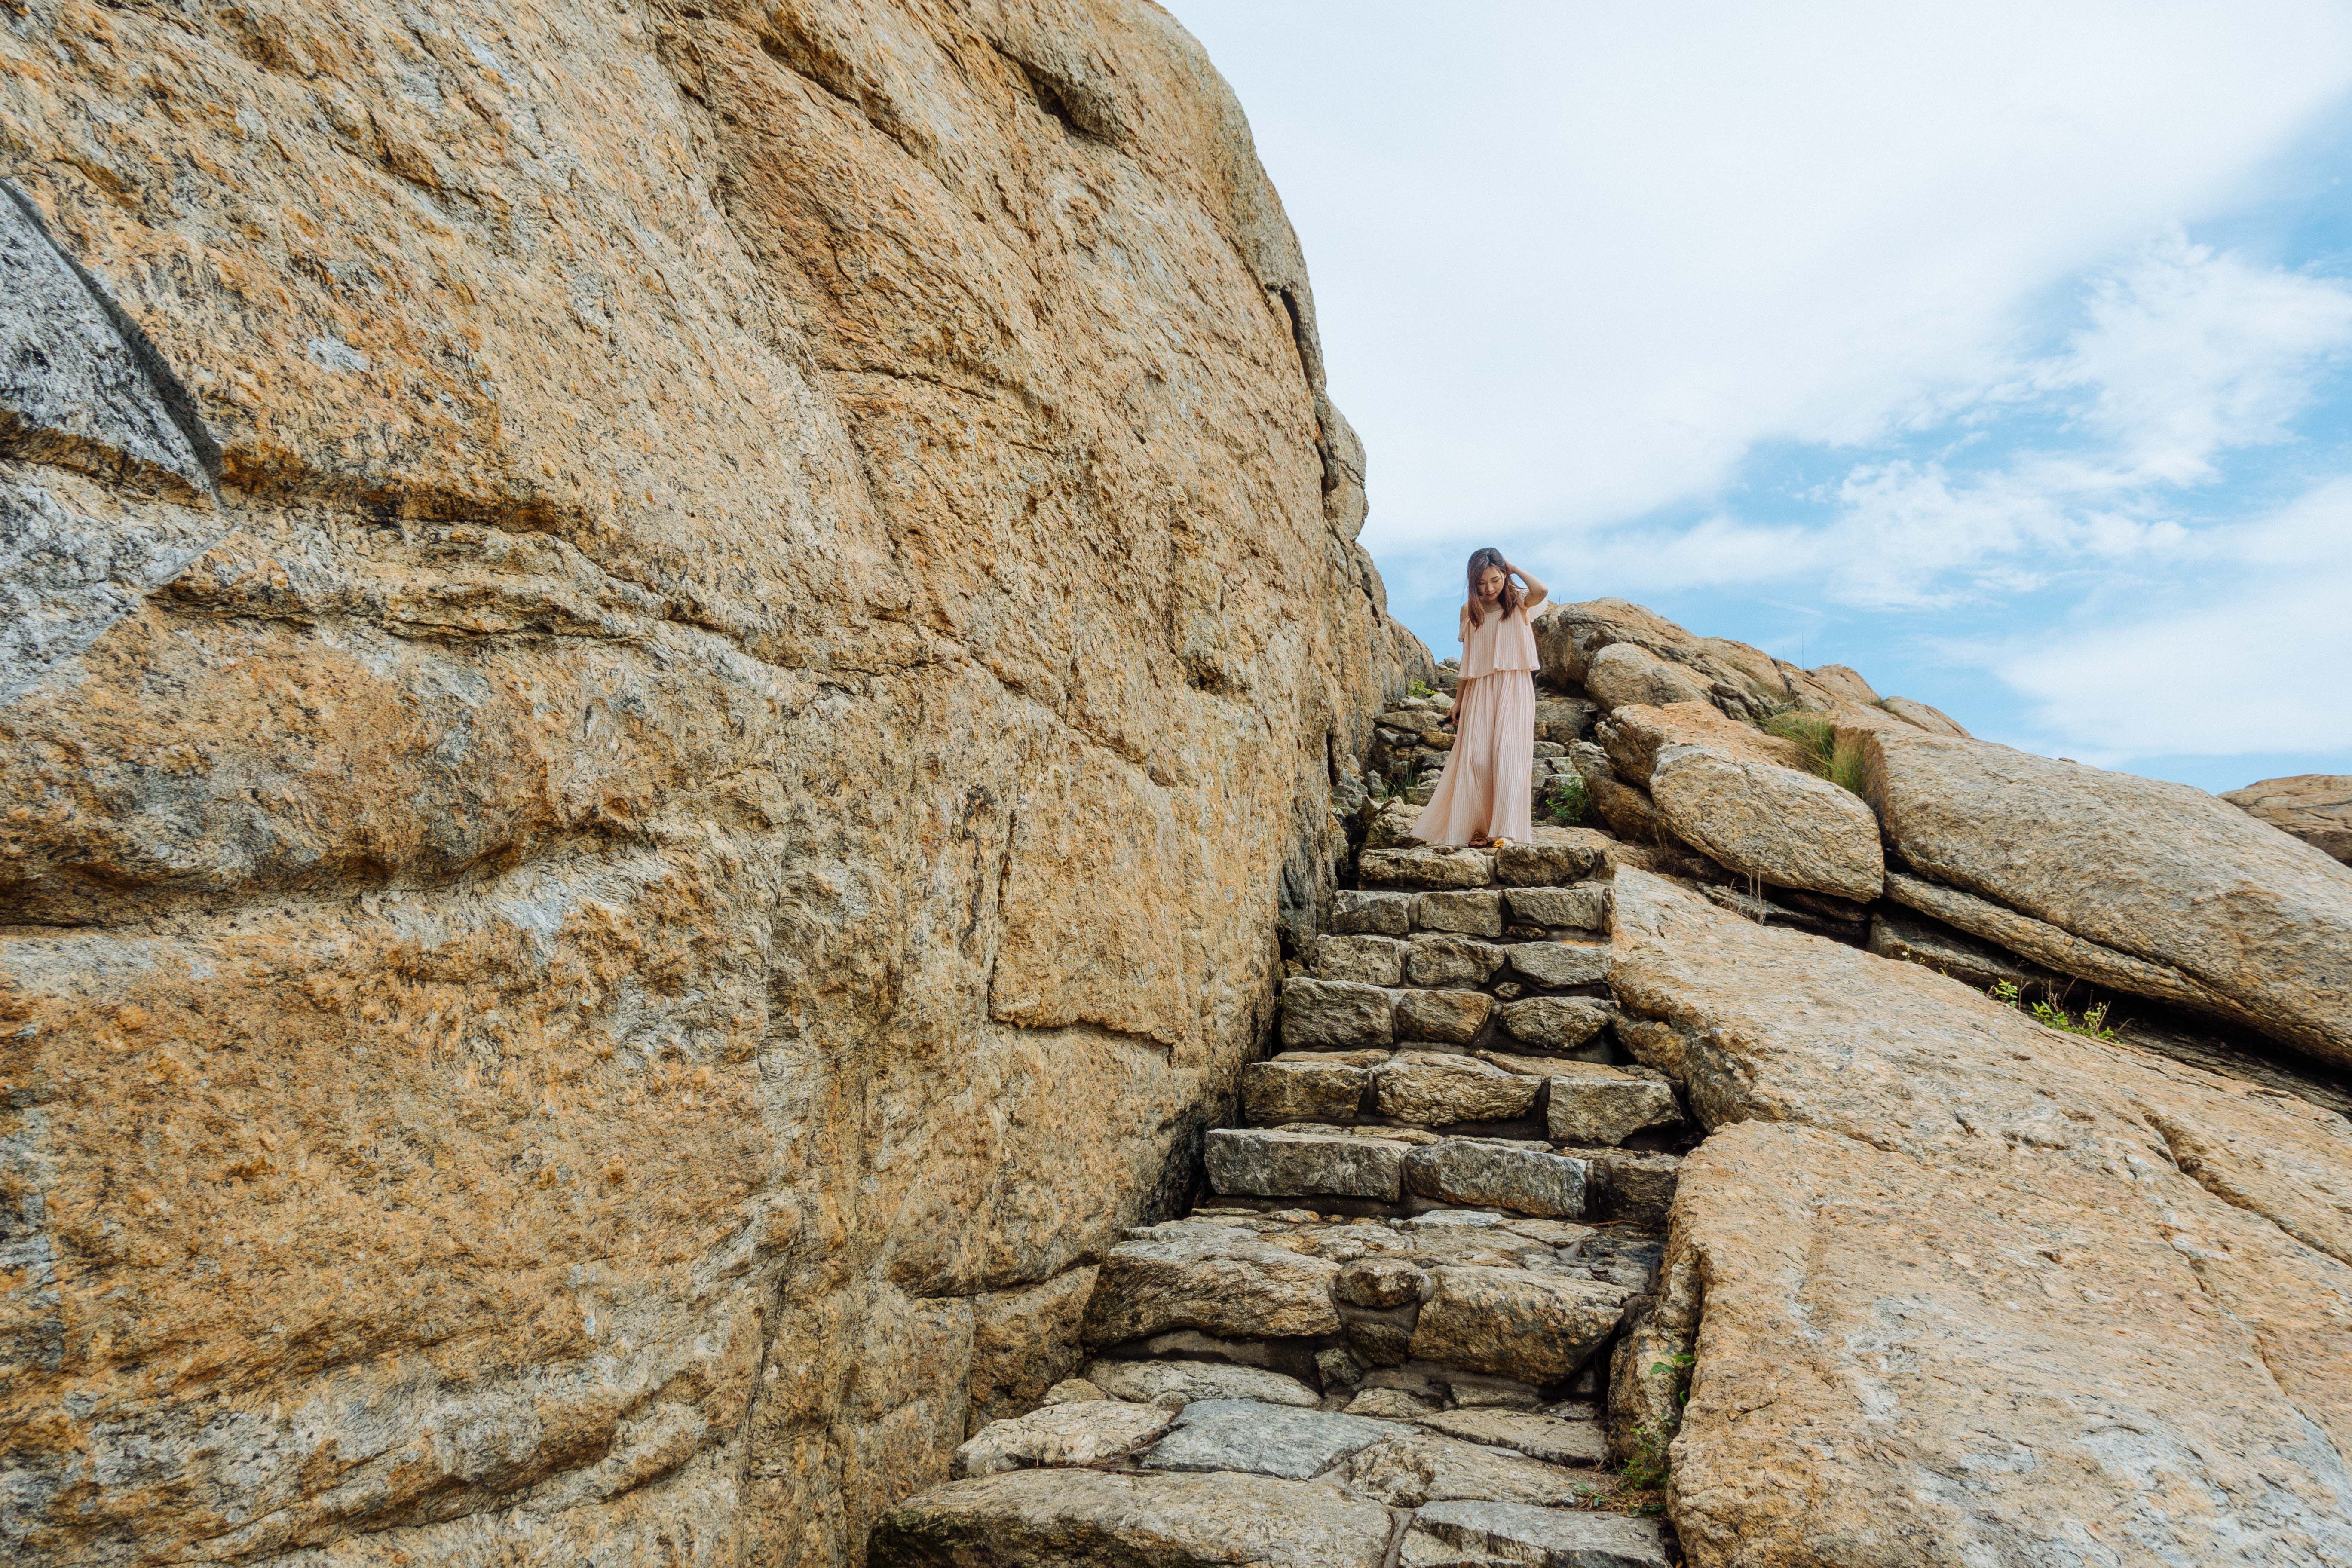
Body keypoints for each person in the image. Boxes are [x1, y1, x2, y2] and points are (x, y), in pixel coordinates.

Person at [1414, 548, 1547, 847]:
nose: (1489, 589)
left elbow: (1542, 590)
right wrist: (1458, 701)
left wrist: (1513, 568)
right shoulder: (1469, 612)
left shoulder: (1519, 602)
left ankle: (1506, 832)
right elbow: (1468, 660)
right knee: (1475, 758)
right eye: (1481, 584)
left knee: (1509, 755)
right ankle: (1476, 826)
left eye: (1495, 580)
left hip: (1514, 685)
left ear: (1504, 575)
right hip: (1478, 689)